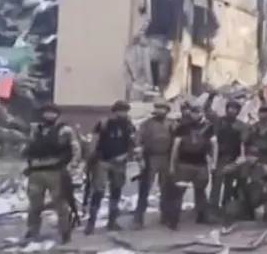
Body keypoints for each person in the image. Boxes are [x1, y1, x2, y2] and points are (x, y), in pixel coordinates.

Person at [23, 103, 81, 243]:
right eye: (47, 112)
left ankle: (65, 232)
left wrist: (72, 167)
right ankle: (32, 230)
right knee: (34, 205)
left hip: (55, 171)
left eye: (52, 113)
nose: (49, 115)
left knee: (60, 204)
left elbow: (75, 149)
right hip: (36, 172)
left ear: (57, 115)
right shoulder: (36, 129)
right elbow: (29, 147)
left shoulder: (65, 130)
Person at [85, 100, 136, 234]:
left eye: (124, 111)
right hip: (103, 161)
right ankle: (91, 223)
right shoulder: (103, 124)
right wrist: (91, 158)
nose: (122, 114)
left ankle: (112, 221)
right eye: (119, 111)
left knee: (116, 192)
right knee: (98, 192)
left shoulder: (129, 125)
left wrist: (126, 156)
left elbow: (132, 144)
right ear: (114, 112)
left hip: (119, 162)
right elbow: (94, 142)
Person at [169, 103, 217, 227]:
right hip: (184, 163)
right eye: (194, 111)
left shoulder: (208, 128)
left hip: (201, 164)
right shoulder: (182, 127)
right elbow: (175, 147)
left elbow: (214, 145)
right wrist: (172, 165)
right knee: (179, 192)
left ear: (201, 113)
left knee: (200, 191)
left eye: (198, 111)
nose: (196, 114)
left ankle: (201, 216)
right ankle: (173, 219)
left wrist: (214, 163)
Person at [134, 99, 174, 229]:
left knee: (166, 189)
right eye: (158, 108)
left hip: (166, 158)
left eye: (163, 108)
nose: (160, 111)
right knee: (145, 188)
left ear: (167, 111)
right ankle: (138, 218)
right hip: (150, 157)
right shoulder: (146, 124)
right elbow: (138, 142)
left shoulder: (171, 124)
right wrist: (140, 160)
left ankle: (166, 216)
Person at [212, 99, 246, 214]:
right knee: (217, 183)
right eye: (230, 108)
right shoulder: (219, 121)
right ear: (226, 109)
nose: (232, 110)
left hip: (233, 157)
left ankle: (225, 208)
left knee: (229, 184)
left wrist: (239, 160)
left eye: (235, 108)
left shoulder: (240, 125)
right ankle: (213, 208)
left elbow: (243, 142)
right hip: (220, 157)